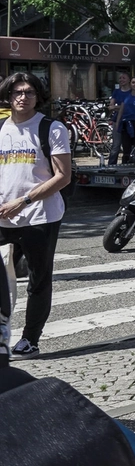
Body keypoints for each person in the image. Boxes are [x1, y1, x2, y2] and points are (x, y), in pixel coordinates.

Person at [0, 73, 72, 357]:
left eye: (29, 92)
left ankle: (30, 338)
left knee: (38, 280)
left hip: (40, 217)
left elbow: (63, 176)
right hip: (4, 217)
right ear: (8, 96)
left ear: (38, 96)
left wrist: (24, 200)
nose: (23, 97)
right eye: (17, 92)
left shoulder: (51, 129)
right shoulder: (1, 129)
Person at [109, 78, 135, 165]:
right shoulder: (126, 96)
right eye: (133, 82)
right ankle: (125, 165)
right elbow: (121, 110)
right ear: (130, 84)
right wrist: (117, 124)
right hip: (125, 124)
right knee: (126, 148)